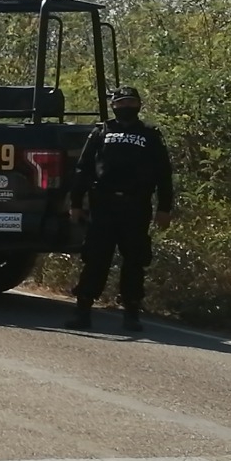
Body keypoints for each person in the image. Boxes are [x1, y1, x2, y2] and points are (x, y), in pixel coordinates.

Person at [65, 85, 174, 332]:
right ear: (114, 106)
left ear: (139, 105)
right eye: (121, 103)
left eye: (130, 102)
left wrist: (164, 208)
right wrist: (75, 203)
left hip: (136, 206)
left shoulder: (150, 135)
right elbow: (83, 170)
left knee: (135, 261)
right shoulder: (101, 132)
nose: (126, 107)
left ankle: (132, 314)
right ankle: (82, 312)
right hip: (103, 205)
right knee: (95, 259)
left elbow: (163, 174)